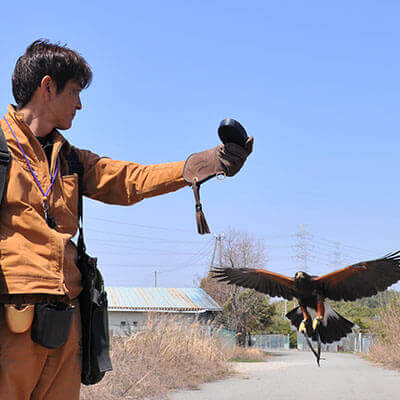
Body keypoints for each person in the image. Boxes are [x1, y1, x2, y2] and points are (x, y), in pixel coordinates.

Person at [0, 39, 253, 399]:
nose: (80, 104)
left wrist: (200, 165)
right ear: (47, 87)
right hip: (11, 322)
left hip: (67, 323)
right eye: (74, 91)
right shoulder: (1, 150)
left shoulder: (71, 159)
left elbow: (129, 180)